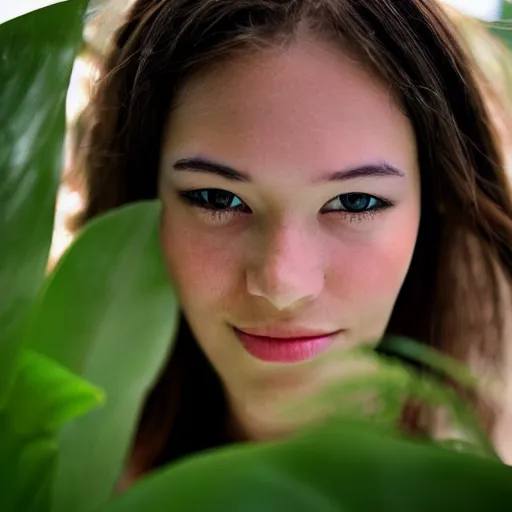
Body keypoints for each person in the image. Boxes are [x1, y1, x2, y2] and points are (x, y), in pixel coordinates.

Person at [79, 0, 512, 486]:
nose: (282, 284)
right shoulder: (45, 460)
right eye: (217, 197)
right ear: (142, 193)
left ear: (433, 203)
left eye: (355, 201)